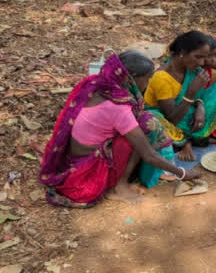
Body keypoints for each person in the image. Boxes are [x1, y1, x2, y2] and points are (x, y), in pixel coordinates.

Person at [39, 51, 199, 207]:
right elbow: (148, 154)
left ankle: (122, 178)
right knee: (145, 125)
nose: (148, 83)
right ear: (133, 78)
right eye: (148, 78)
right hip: (89, 168)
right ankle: (118, 186)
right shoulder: (118, 108)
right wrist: (182, 173)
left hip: (73, 157)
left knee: (141, 121)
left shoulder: (96, 83)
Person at [143, 31, 216, 161]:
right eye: (197, 57)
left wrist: (200, 107)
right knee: (153, 118)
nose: (202, 63)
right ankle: (187, 141)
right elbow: (172, 118)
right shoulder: (162, 77)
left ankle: (195, 137)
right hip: (170, 120)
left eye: (204, 58)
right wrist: (191, 92)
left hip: (190, 114)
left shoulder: (191, 68)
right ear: (182, 52)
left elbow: (200, 96)